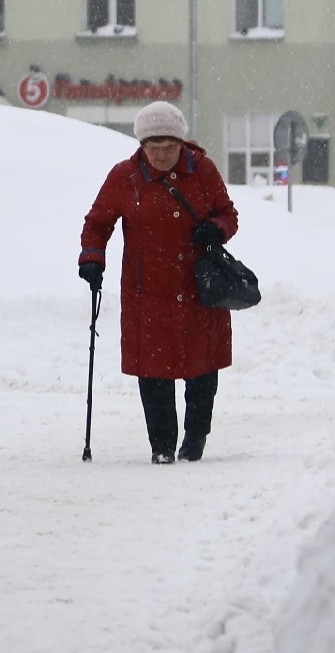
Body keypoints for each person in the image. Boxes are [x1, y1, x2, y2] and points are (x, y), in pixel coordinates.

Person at [77, 101, 238, 464]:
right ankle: (162, 447)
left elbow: (228, 214)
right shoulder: (125, 176)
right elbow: (98, 222)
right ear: (141, 145)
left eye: (169, 147)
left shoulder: (204, 171)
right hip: (146, 292)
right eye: (154, 148)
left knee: (202, 368)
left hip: (199, 287)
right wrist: (92, 257)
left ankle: (195, 439)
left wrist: (216, 229)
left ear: (182, 143)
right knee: (153, 372)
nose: (162, 155)